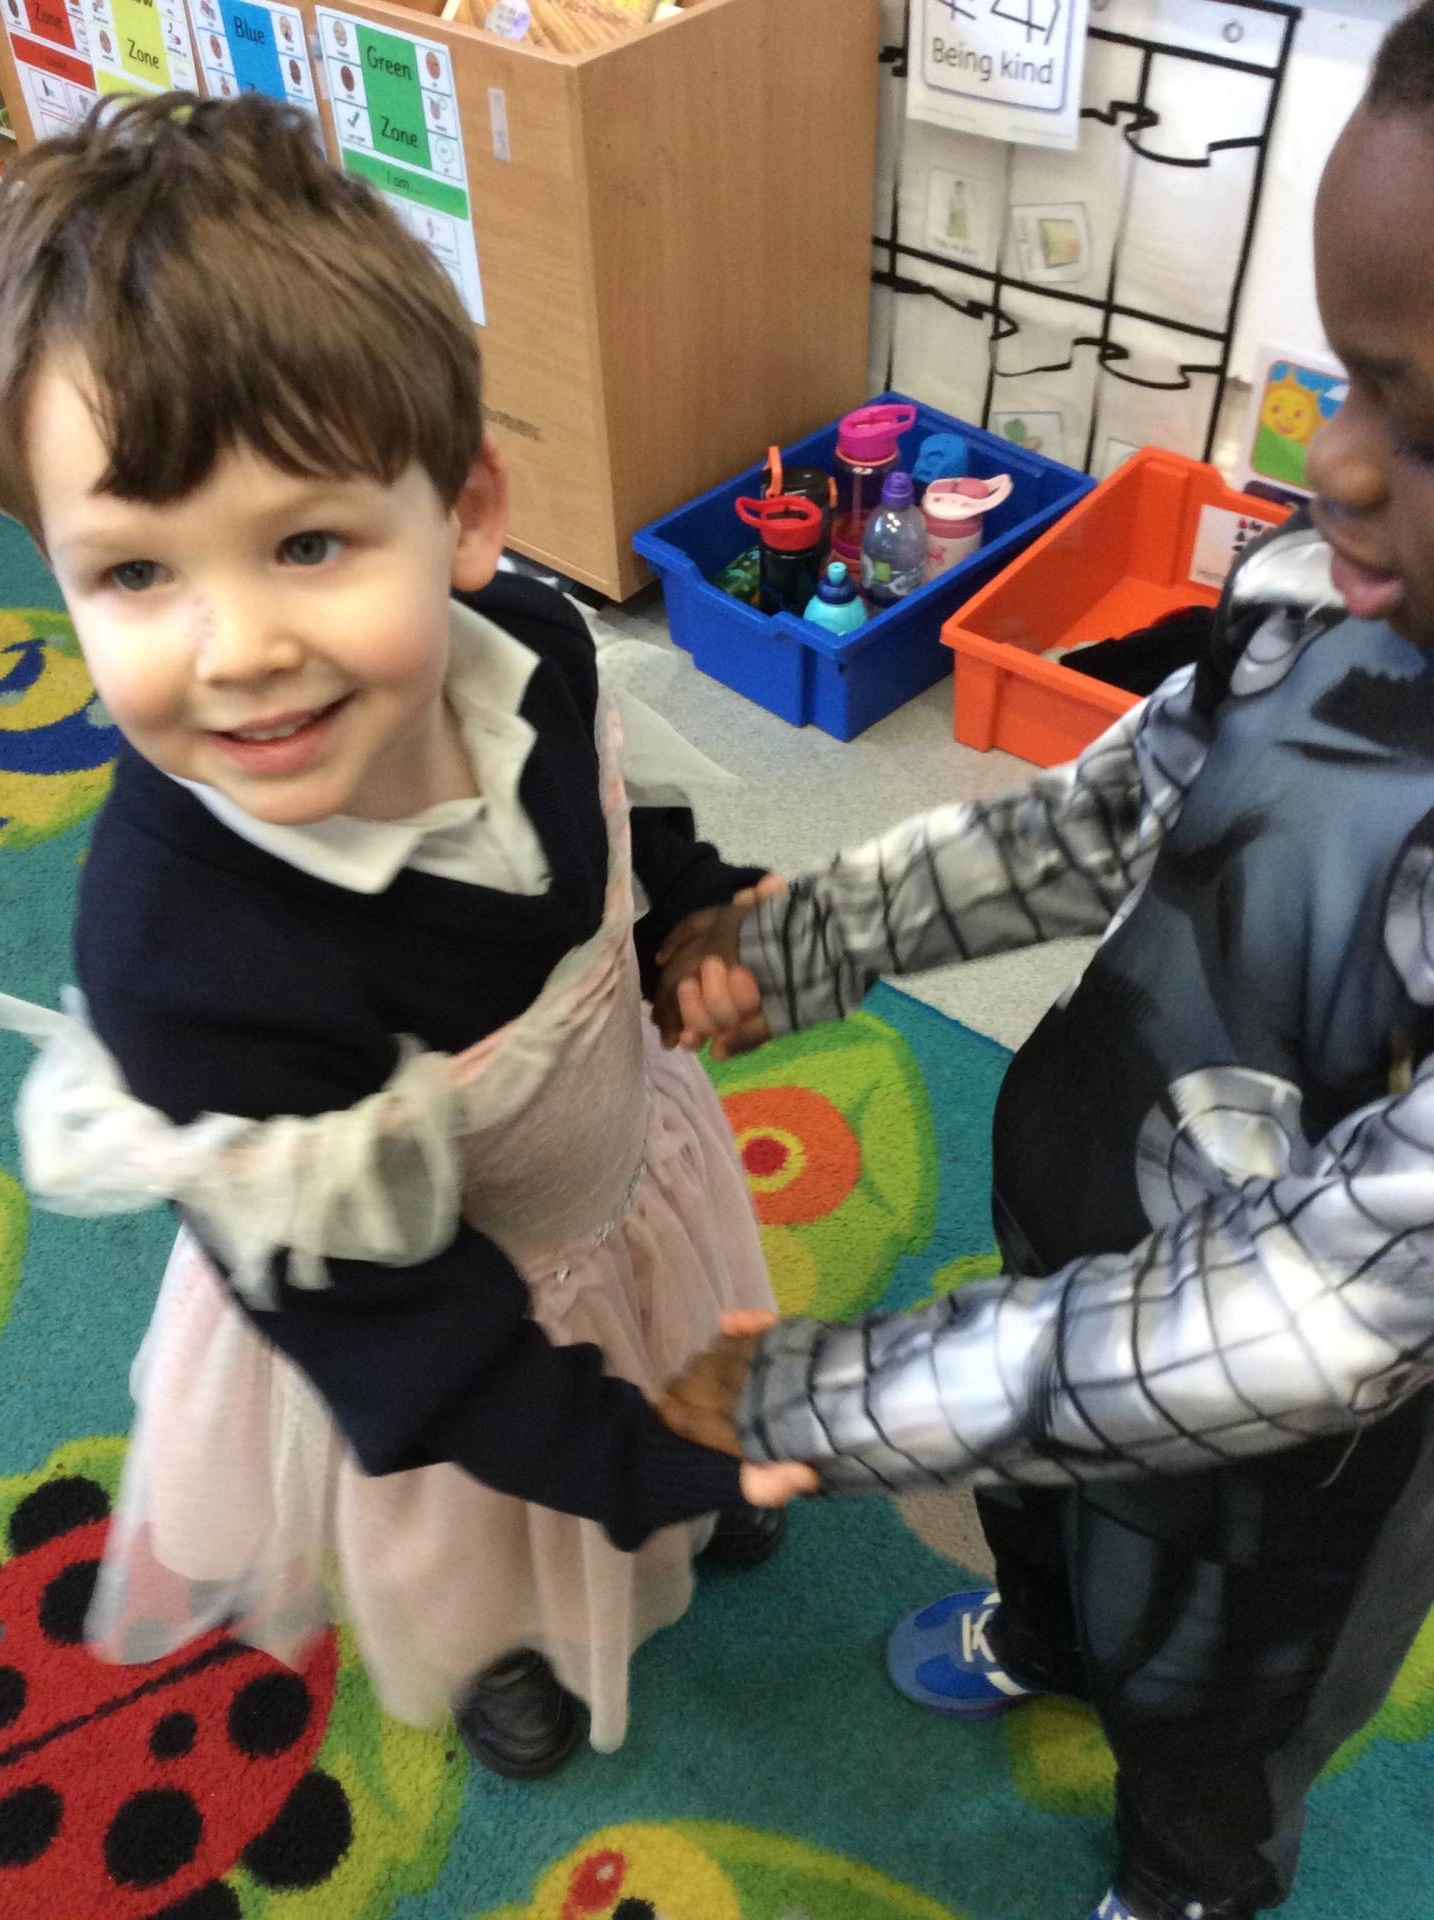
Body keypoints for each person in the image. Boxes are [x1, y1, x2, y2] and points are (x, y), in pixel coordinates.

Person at [652, 12, 1434, 1915]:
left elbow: (1303, 1314)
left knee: (1208, 1707)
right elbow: (1101, 815)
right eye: (1351, 380)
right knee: (1054, 1513)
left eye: (1422, 426)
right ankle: (1044, 1629)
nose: (1334, 462)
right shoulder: (1310, 594)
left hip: (1282, 1463)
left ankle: (1184, 1877)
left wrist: (849, 1401)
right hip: (1076, 1237)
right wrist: (818, 933)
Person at [0, 91, 813, 1782]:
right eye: (135, 574)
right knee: (481, 1525)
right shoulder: (188, 964)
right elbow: (414, 1347)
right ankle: (507, 1645)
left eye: (307, 543)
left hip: (610, 1172)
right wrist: (643, 1456)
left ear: (464, 515)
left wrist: (685, 906)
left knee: (674, 1351)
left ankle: (676, 1476)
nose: (235, 648)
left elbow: (608, 805)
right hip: (421, 1310)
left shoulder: (528, 640)